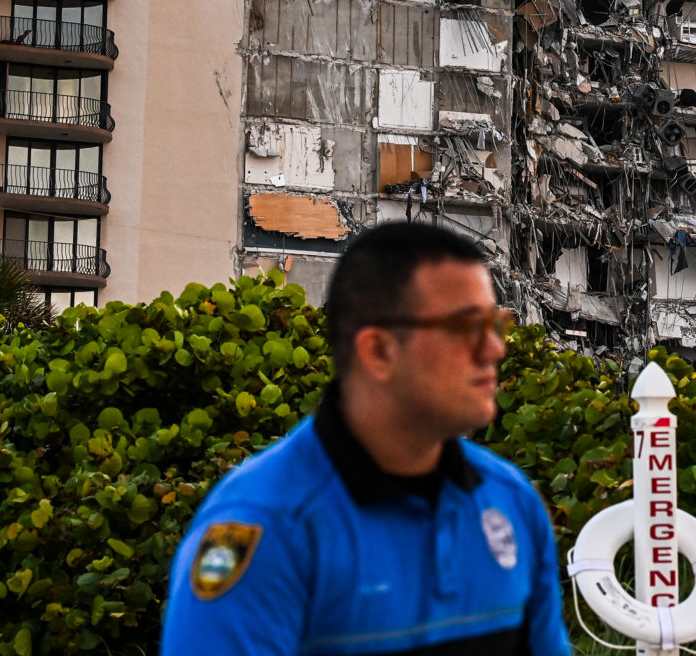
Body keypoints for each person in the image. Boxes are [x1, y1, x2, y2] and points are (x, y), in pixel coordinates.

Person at [161, 221, 570, 655]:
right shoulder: (269, 527)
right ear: (378, 351)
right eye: (467, 327)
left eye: (496, 324)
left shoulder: (511, 500)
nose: (495, 349)